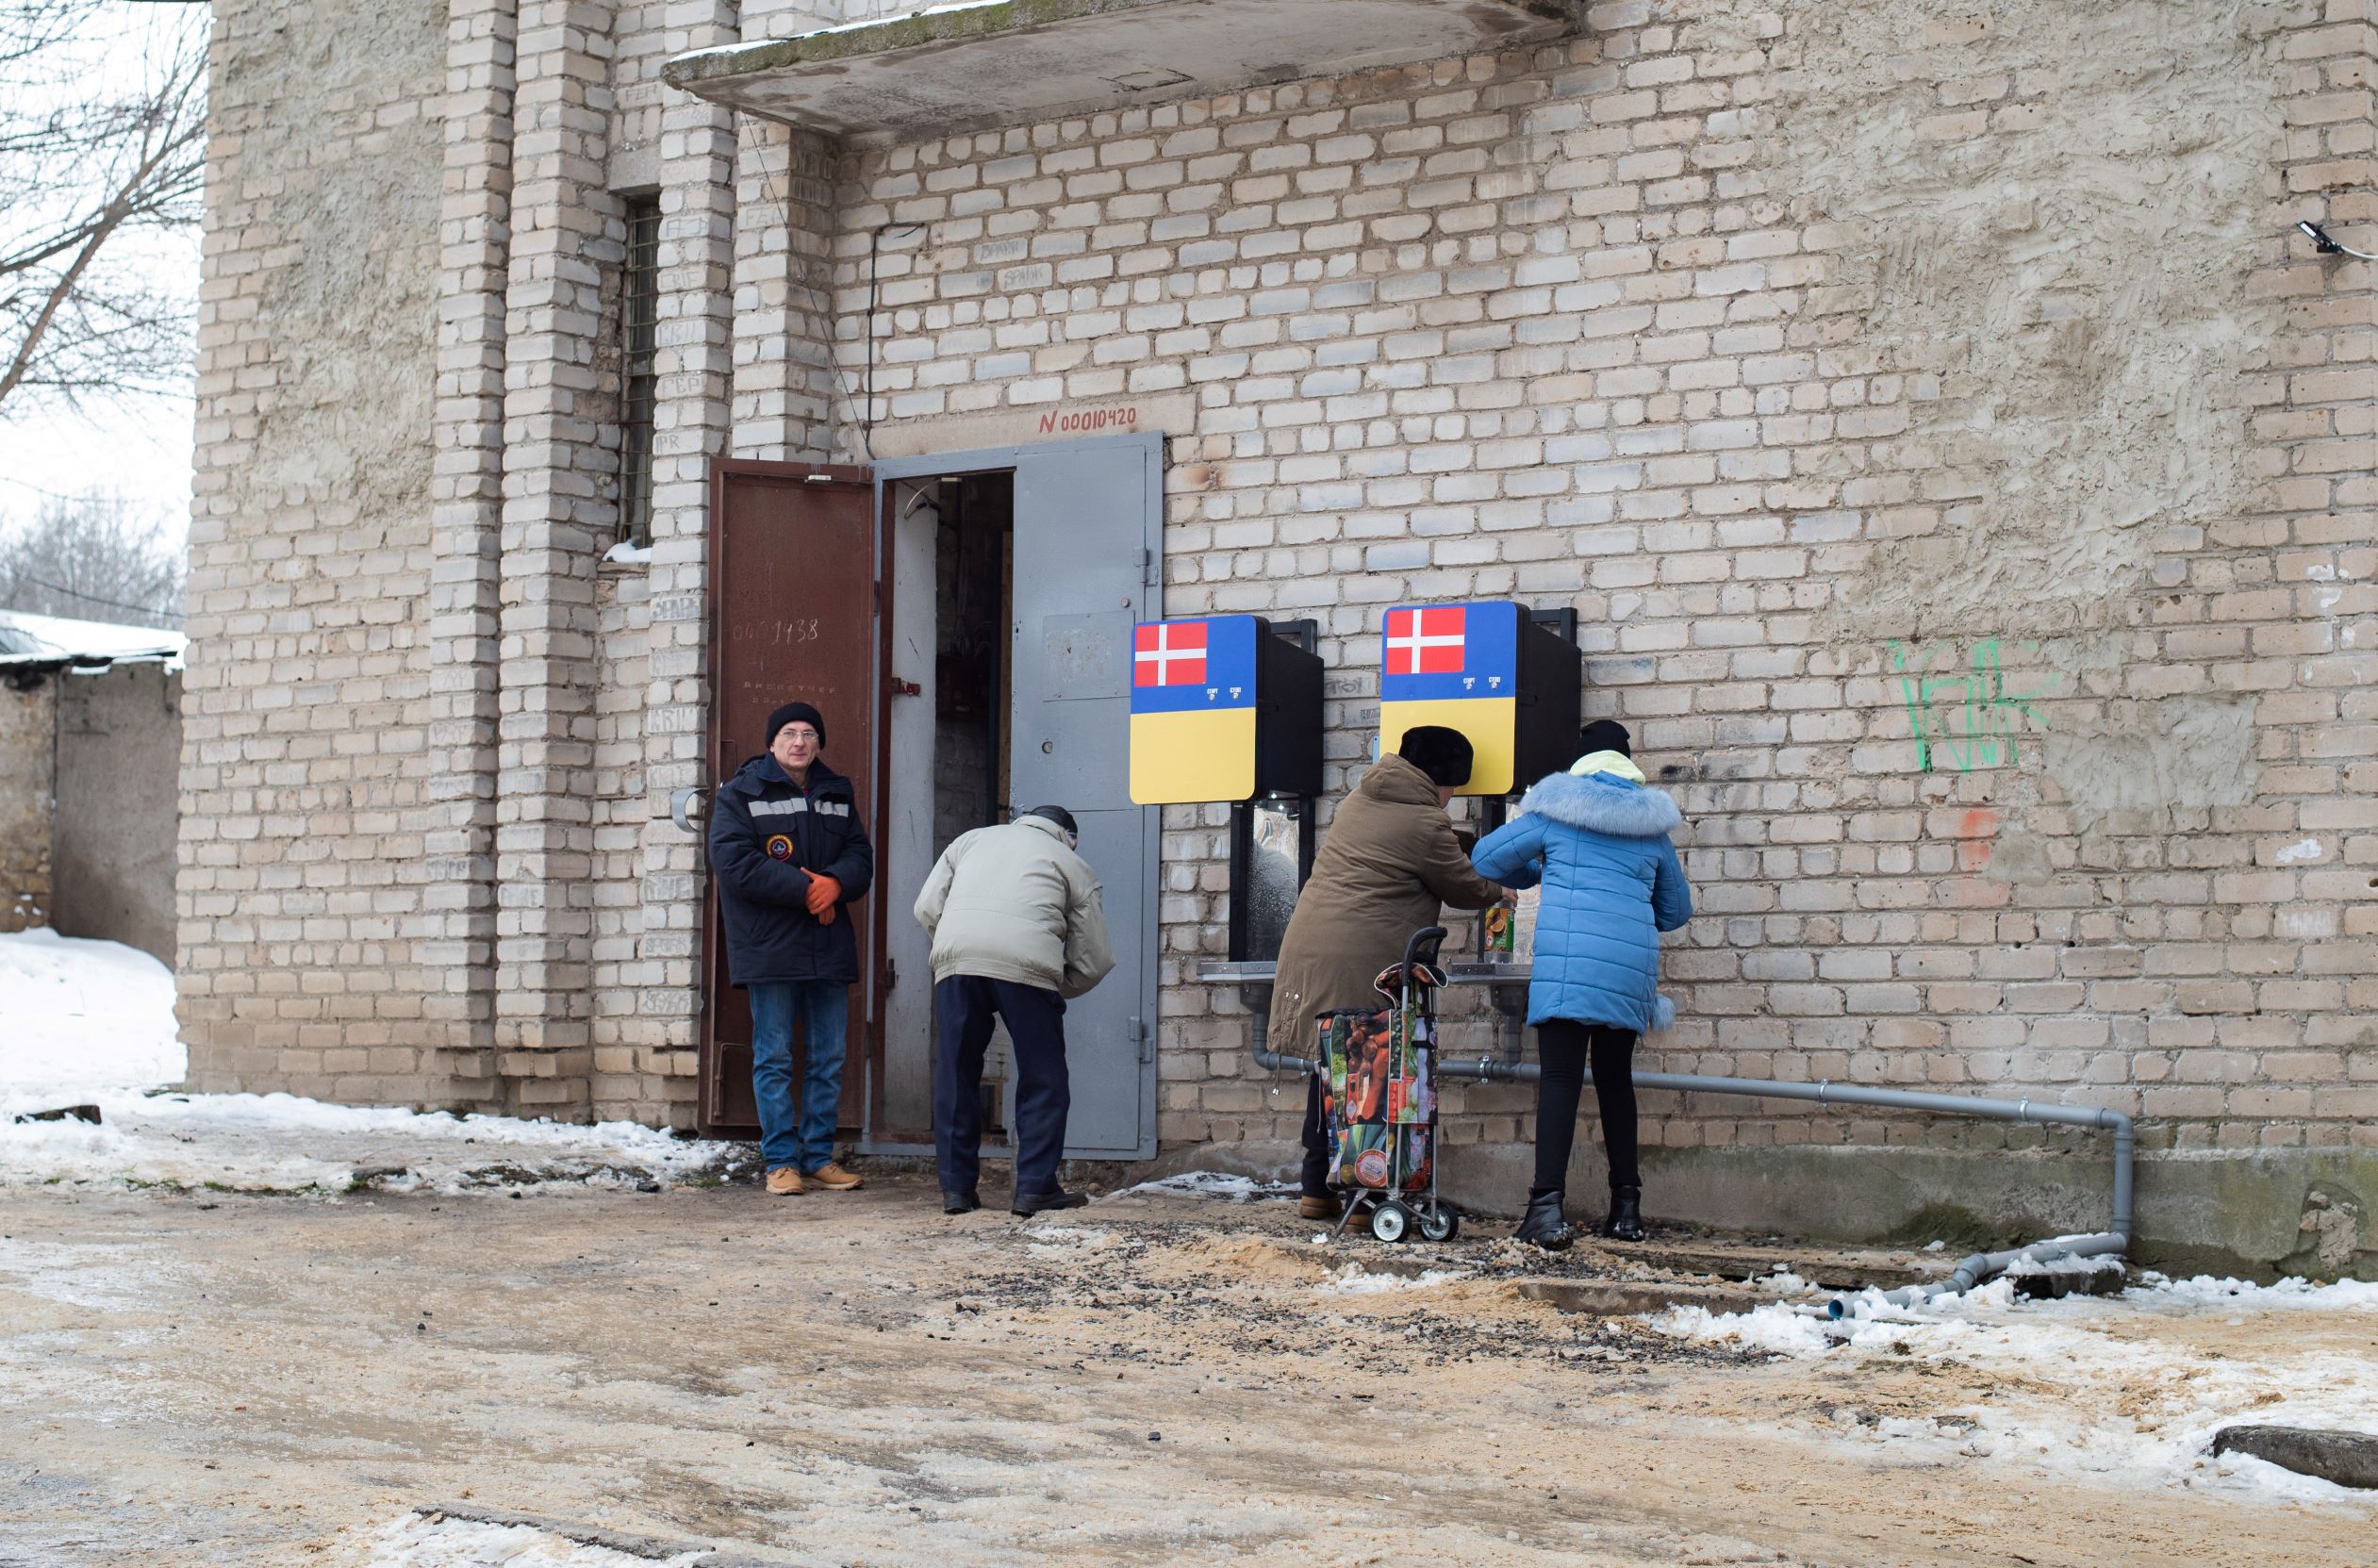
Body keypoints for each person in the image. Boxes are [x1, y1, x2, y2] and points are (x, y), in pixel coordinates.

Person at [1266, 727, 1506, 1221]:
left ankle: (1317, 1188)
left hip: (1311, 946)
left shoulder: (1362, 798)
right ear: (1441, 781)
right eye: (1454, 787)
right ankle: (1368, 1197)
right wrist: (1499, 891)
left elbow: (1411, 847)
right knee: (1371, 1067)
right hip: (1363, 957)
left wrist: (1463, 842)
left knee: (1332, 1065)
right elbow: (1460, 884)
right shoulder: (1424, 821)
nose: (1452, 797)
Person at [1471, 719, 1692, 1248]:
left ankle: (1546, 1209)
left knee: (1561, 1079)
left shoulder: (1555, 811)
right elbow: (1676, 911)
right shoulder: (1652, 829)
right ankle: (1627, 1210)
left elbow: (1485, 859)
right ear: (1626, 763)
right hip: (1628, 970)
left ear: (1580, 762)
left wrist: (1541, 871)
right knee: (1615, 1081)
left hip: (1569, 967)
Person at [913, 804, 1115, 1216]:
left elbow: (926, 908)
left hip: (958, 963)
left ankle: (956, 1189)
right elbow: (1094, 959)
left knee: (957, 1071)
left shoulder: (970, 840)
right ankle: (1035, 1189)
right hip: (1026, 967)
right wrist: (1055, 984)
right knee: (1043, 1077)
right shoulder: (1071, 862)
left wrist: (960, 948)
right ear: (1069, 837)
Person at [707, 701, 875, 1197]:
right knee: (775, 1056)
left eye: (808, 734)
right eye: (789, 733)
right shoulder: (740, 793)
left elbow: (860, 856)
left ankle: (818, 1156)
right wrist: (807, 891)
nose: (799, 742)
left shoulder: (836, 792)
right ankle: (781, 1162)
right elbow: (733, 862)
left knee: (828, 1057)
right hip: (770, 947)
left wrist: (836, 883)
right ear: (771, 742)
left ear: (819, 744)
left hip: (827, 945)